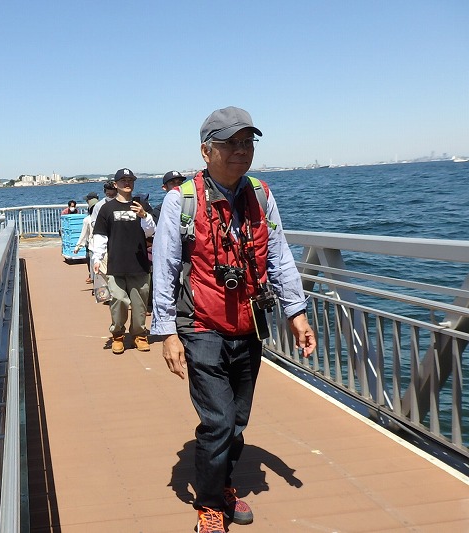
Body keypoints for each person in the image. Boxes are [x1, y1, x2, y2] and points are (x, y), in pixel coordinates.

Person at [151, 107, 316, 533]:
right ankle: (208, 505)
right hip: (201, 324)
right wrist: (166, 333)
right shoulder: (180, 200)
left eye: (247, 142)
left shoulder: (260, 194)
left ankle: (222, 483)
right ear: (206, 151)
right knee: (218, 420)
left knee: (238, 418)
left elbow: (278, 255)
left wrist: (296, 312)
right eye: (230, 143)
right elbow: (164, 268)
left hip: (249, 323)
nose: (241, 151)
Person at [91, 168, 155, 354]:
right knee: (118, 300)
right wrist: (97, 258)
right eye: (123, 180)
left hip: (139, 264)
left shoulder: (141, 205)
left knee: (140, 303)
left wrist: (144, 215)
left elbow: (151, 231)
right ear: (115, 184)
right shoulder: (106, 208)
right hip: (116, 264)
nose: (127, 183)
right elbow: (100, 235)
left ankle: (139, 334)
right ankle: (117, 334)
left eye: (130, 180)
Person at [74, 198, 99, 283]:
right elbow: (83, 234)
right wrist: (78, 246)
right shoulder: (87, 220)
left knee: (96, 268)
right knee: (95, 268)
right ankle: (96, 285)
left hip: (99, 246)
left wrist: (77, 247)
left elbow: (83, 235)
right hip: (93, 246)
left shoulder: (102, 218)